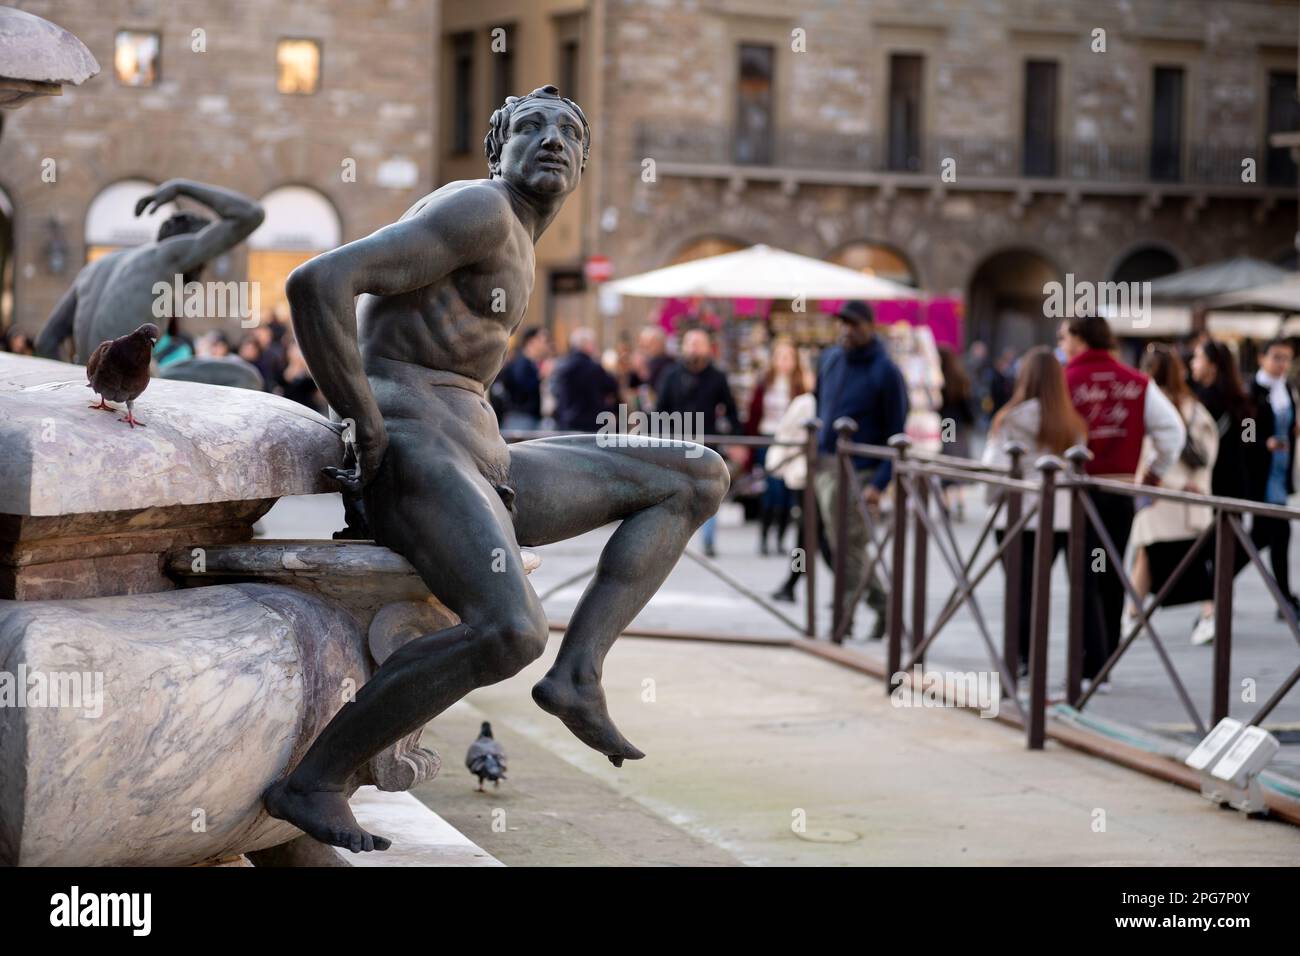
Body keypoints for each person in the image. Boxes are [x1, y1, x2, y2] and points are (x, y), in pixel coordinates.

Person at [267, 85, 729, 852]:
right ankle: (314, 780)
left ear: (583, 163)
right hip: (417, 449)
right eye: (531, 127)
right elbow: (317, 282)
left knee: (696, 472)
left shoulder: (517, 233)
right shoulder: (478, 209)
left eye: (569, 133)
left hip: (484, 459)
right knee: (512, 629)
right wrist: (365, 426)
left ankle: (577, 675)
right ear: (496, 149)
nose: (552, 138)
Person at [1059, 316, 1185, 691]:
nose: (1062, 343)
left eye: (1064, 336)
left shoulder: (1066, 381)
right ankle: (1106, 660)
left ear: (1080, 338)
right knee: (1111, 571)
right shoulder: (1135, 381)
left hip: (1079, 490)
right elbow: (1172, 431)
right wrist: (1153, 475)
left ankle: (1090, 665)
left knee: (1082, 574)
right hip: (1120, 491)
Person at [35, 179, 264, 363]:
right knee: (241, 374)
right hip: (123, 395)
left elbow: (46, 341)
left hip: (88, 388)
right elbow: (251, 214)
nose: (203, 269)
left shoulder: (96, 267)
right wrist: (180, 187)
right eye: (204, 259)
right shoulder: (166, 257)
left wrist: (70, 389)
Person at [982, 346, 1087, 675]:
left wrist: (990, 498)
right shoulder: (1073, 423)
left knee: (1017, 587)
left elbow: (994, 467)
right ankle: (1035, 657)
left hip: (1014, 514)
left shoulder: (1009, 418)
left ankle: (1017, 657)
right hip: (1057, 518)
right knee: (1039, 587)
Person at [814, 300, 909, 641]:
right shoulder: (830, 360)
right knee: (834, 547)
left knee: (850, 547)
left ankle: (843, 620)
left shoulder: (886, 371)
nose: (847, 330)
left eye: (854, 324)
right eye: (843, 323)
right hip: (826, 468)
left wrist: (881, 483)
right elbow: (819, 403)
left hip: (863, 472)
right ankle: (885, 607)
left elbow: (898, 434)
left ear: (869, 326)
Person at [1128, 344, 1220, 645]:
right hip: (1189, 497)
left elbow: (1146, 451)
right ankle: (1208, 615)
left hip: (1160, 493)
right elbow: (1209, 449)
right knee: (1195, 558)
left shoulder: (1149, 403)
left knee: (1146, 552)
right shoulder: (1193, 406)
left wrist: (1160, 482)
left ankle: (1133, 615)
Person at [656, 327, 741, 556]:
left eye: (699, 343)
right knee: (676, 492)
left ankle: (708, 541)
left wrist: (736, 441)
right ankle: (672, 540)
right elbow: (659, 410)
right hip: (675, 444)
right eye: (691, 342)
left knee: (709, 492)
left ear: (707, 348)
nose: (694, 347)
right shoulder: (671, 375)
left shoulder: (717, 376)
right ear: (683, 347)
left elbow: (731, 411)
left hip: (707, 444)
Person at [1249, 337, 1299, 619]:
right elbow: (1245, 432)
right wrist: (1262, 443)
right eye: (1277, 357)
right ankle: (1213, 587)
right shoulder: (1253, 392)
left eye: (1287, 358)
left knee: (1271, 536)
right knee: (1265, 537)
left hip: (1281, 472)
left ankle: (1285, 599)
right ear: (1262, 358)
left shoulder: (1286, 389)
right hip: (1262, 475)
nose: (1282, 364)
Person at [747, 337, 809, 555]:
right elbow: (754, 415)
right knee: (769, 491)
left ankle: (780, 538)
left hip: (790, 444)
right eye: (780, 357)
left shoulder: (801, 385)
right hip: (767, 439)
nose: (784, 361)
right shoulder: (764, 383)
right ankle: (763, 538)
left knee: (786, 493)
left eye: (789, 357)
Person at [550, 326, 618, 431]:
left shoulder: (563, 366)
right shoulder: (593, 367)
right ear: (587, 344)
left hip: (567, 422)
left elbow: (555, 391)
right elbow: (612, 385)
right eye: (594, 343)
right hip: (590, 423)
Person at [937, 343, 977, 520]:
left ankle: (946, 502)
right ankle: (960, 500)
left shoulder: (940, 379)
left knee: (946, 459)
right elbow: (968, 406)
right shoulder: (961, 378)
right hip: (959, 424)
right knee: (959, 460)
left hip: (946, 422)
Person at [495, 326, 550, 431]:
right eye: (544, 340)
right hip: (521, 419)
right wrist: (541, 376)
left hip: (526, 419)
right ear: (532, 341)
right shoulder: (521, 363)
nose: (546, 345)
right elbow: (521, 388)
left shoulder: (529, 363)